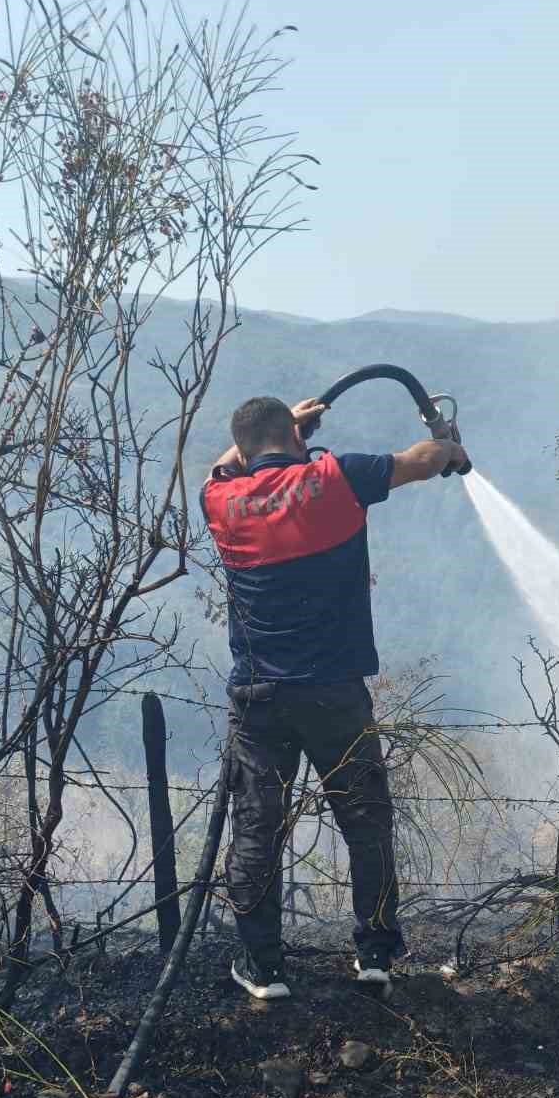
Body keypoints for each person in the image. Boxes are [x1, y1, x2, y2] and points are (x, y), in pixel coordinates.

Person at [201, 395, 470, 998]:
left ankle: (263, 968)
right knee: (366, 824)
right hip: (336, 695)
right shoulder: (335, 479)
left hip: (258, 698)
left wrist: (285, 430)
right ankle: (375, 956)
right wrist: (448, 445)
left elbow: (222, 467)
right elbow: (420, 461)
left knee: (256, 829)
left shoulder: (220, 500)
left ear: (246, 448)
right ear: (295, 440)